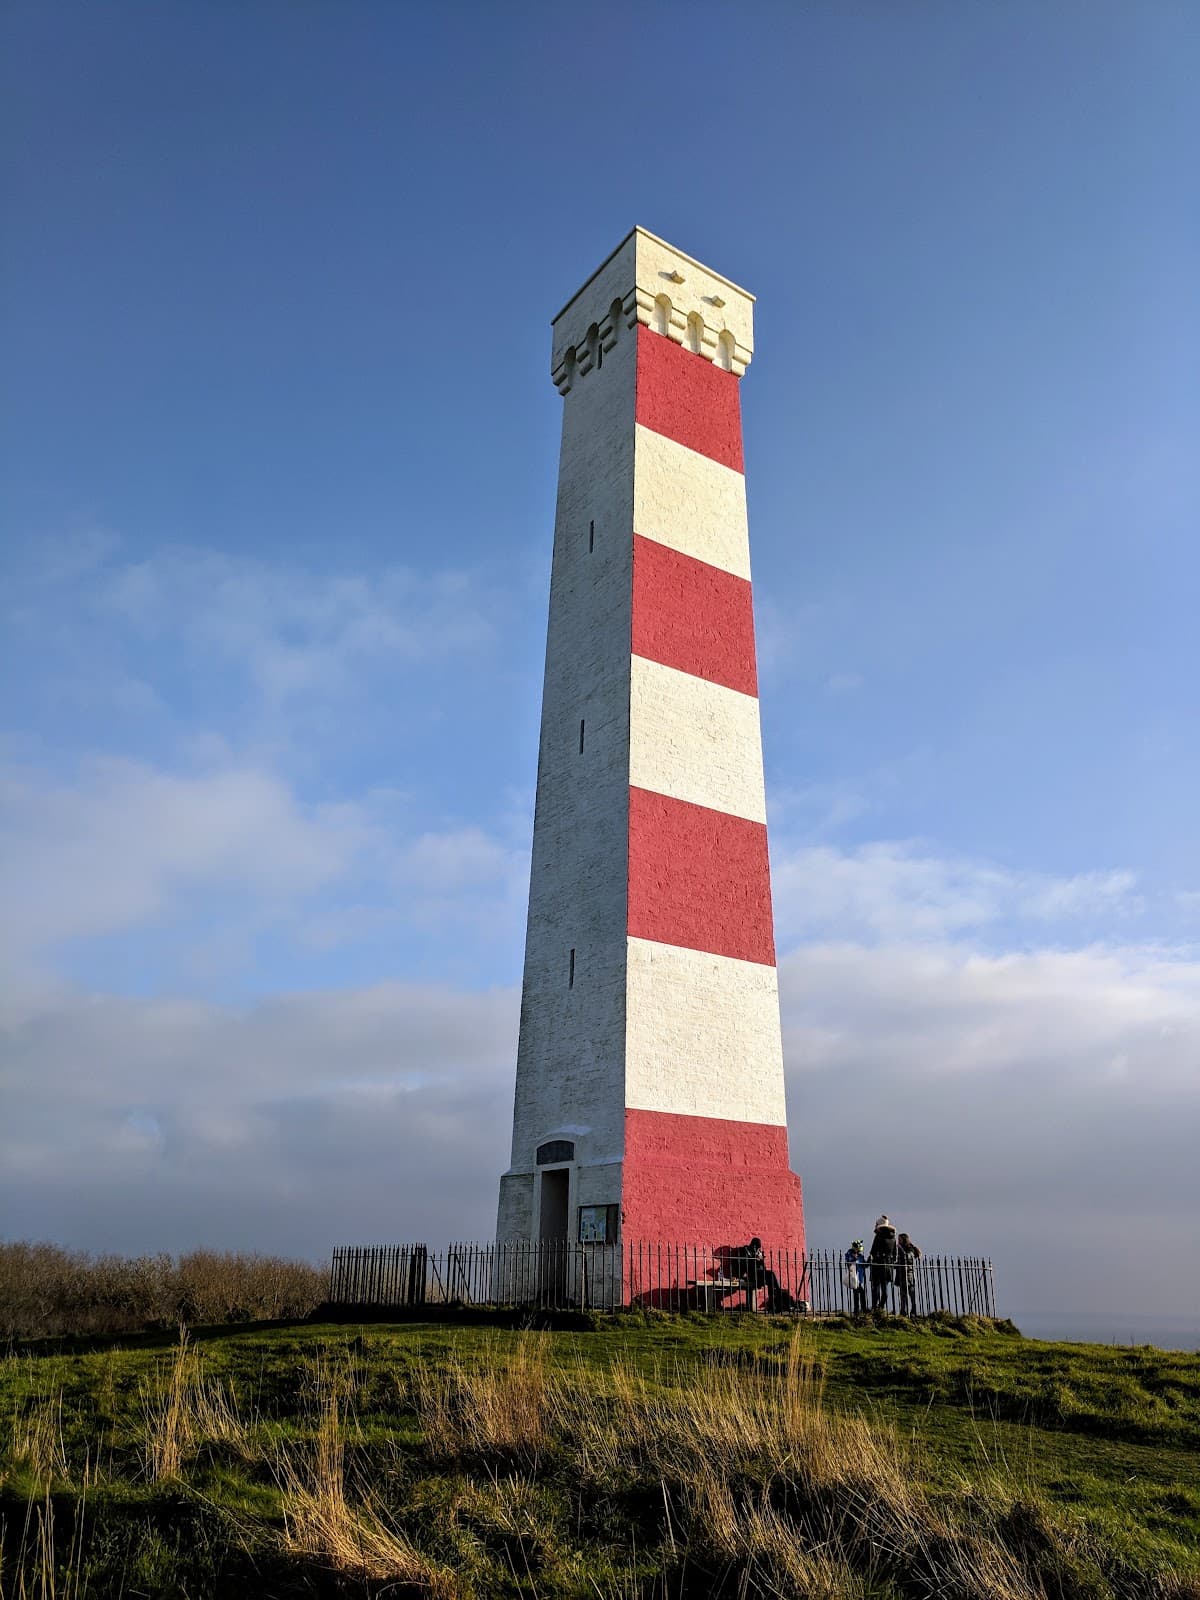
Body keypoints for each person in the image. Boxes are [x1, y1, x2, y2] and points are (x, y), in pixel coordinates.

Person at [732, 1236, 794, 1312]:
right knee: (771, 1275)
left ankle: (773, 1304)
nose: (758, 1250)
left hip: (760, 1275)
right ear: (753, 1245)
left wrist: (760, 1260)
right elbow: (743, 1266)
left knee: (771, 1279)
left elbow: (763, 1268)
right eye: (757, 1248)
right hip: (751, 1275)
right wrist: (754, 1259)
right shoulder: (743, 1251)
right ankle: (775, 1300)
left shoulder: (758, 1253)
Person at [868, 1214, 898, 1312]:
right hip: (888, 1265)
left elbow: (873, 1251)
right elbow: (895, 1253)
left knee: (875, 1287)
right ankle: (881, 1306)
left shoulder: (878, 1237)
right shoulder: (893, 1238)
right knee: (885, 1289)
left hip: (878, 1264)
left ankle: (875, 1307)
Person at [896, 1232, 923, 1316]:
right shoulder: (903, 1249)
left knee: (911, 1295)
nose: (898, 1241)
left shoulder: (909, 1248)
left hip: (908, 1275)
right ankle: (903, 1311)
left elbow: (909, 1259)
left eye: (899, 1239)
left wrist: (901, 1250)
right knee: (903, 1295)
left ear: (903, 1240)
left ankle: (913, 1311)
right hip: (902, 1274)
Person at [844, 1239, 867, 1313]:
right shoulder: (849, 1253)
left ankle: (863, 1309)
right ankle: (856, 1310)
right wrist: (854, 1258)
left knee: (862, 1293)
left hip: (860, 1277)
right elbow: (848, 1262)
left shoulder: (861, 1256)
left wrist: (869, 1260)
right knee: (856, 1293)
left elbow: (864, 1265)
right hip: (854, 1276)